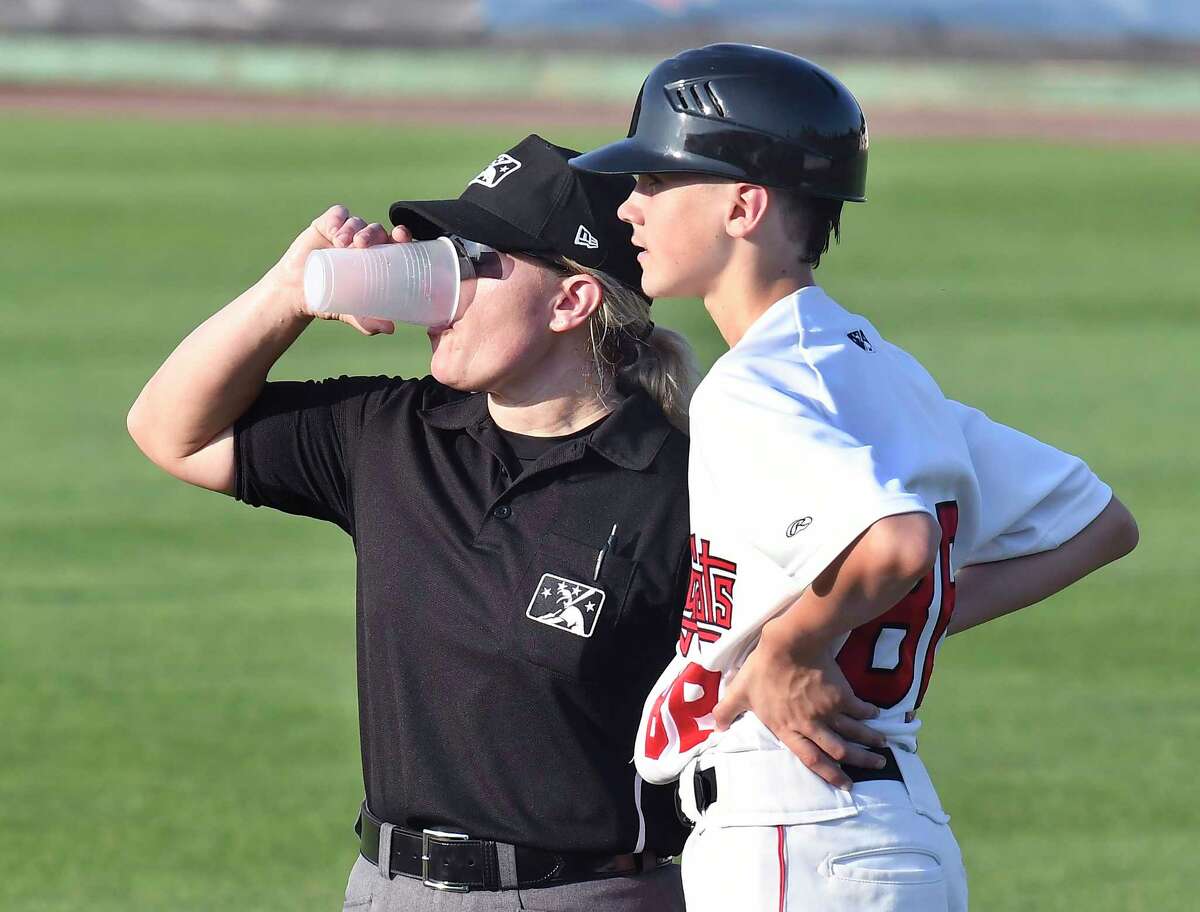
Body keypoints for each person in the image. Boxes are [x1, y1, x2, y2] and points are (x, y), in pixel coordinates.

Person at [571, 44, 1139, 911]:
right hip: (894, 835)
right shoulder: (882, 371)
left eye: (655, 181)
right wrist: (886, 616)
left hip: (794, 832)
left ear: (743, 206)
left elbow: (898, 544)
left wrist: (793, 647)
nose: (629, 207)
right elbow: (1100, 524)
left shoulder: (753, 387)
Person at [126, 134, 700, 911]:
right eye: (441, 256)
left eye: (474, 261)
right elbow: (171, 432)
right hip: (385, 889)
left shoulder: (681, 485)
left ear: (572, 301)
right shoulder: (389, 433)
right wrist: (289, 292)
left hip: (587, 894)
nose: (442, 287)